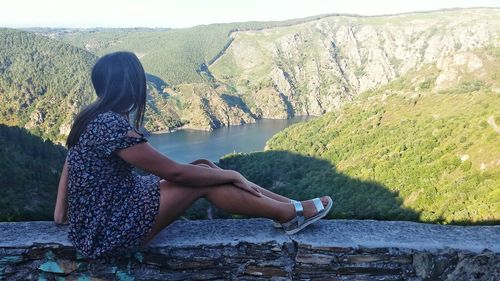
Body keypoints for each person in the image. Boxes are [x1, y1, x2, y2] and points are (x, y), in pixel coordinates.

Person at [53, 51, 333, 260]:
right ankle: (288, 213)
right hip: (110, 232)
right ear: (131, 85)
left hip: (102, 217)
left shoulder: (90, 116)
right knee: (203, 181)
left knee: (203, 165)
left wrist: (61, 213)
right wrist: (232, 173)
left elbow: (71, 162)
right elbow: (174, 173)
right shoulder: (112, 126)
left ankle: (293, 207)